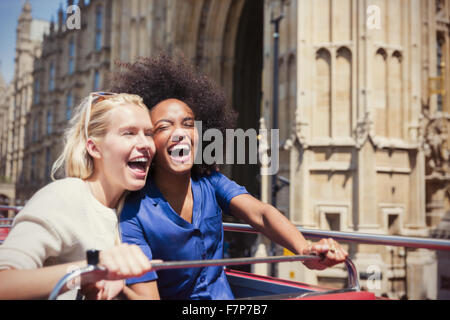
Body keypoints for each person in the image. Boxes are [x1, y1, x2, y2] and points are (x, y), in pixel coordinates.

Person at [112, 55, 348, 300]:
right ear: (148, 143)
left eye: (188, 124)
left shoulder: (212, 183)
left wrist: (305, 250)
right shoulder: (133, 214)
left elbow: (261, 214)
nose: (180, 133)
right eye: (164, 127)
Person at [0, 92, 157, 300]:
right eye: (128, 133)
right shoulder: (65, 196)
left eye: (148, 133)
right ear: (94, 148)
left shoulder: (134, 207)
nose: (145, 143)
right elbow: (5, 283)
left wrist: (120, 289)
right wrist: (89, 270)